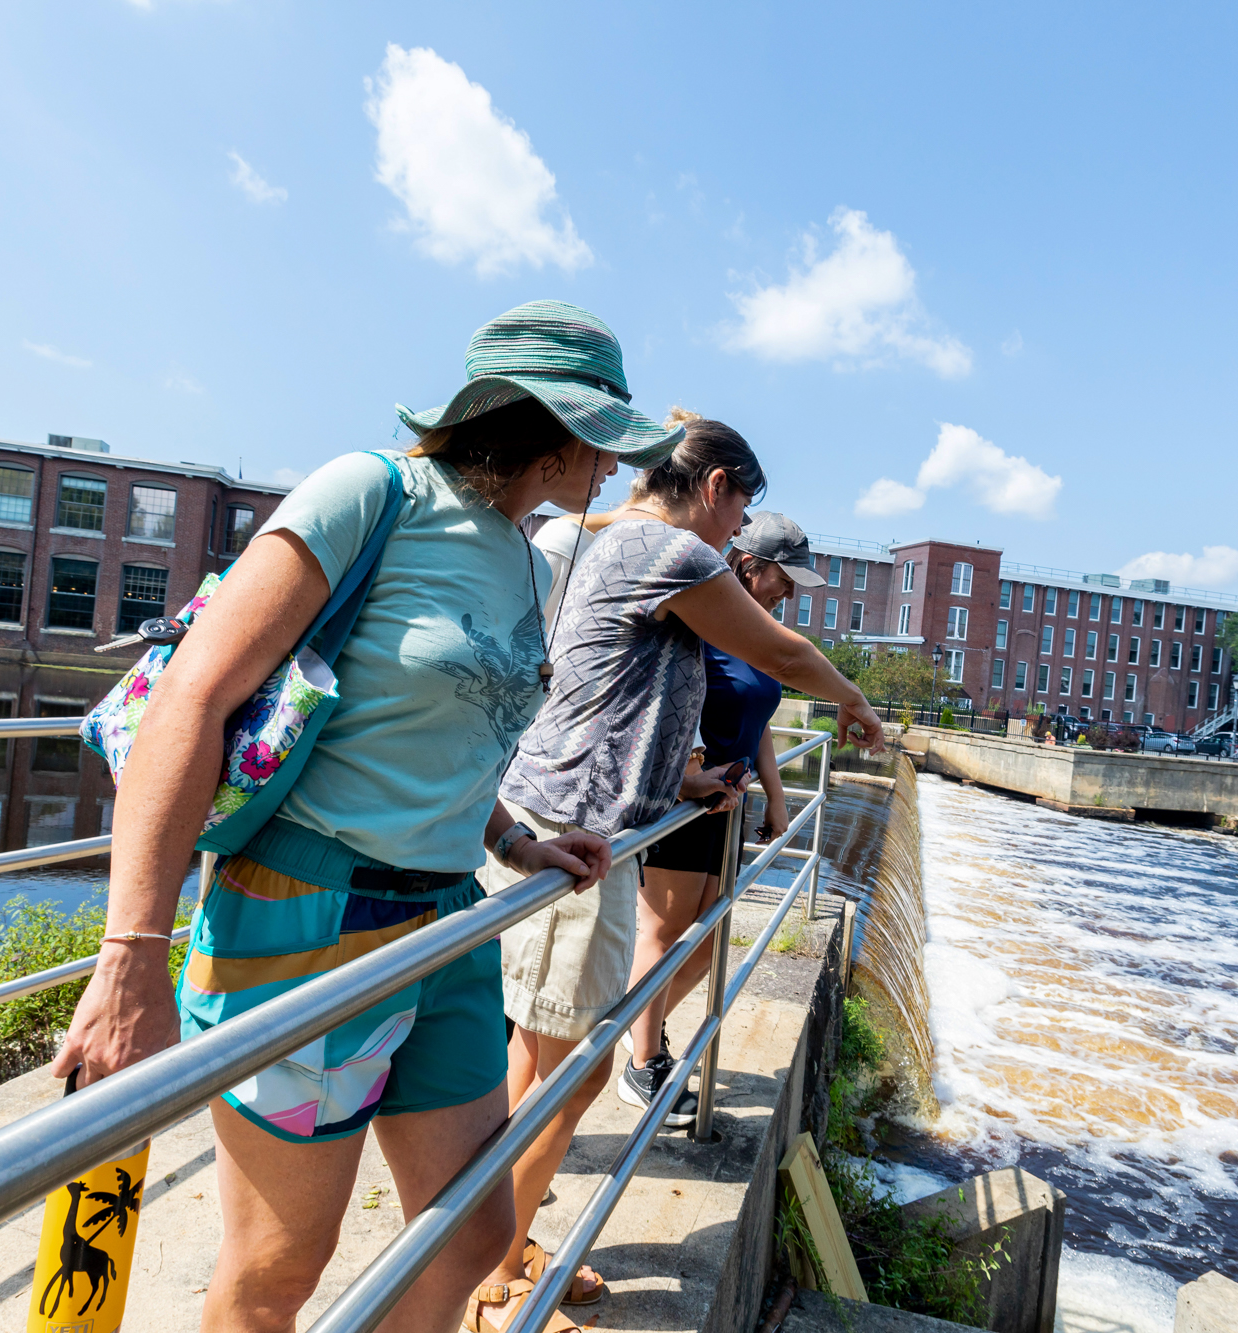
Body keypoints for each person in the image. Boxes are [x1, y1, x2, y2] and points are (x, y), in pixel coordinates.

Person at [49, 300, 681, 1333]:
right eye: (602, 435)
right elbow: (191, 701)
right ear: (540, 423)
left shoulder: (527, 558)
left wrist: (511, 839)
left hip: (445, 921)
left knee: (470, 1234)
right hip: (303, 917)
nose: (615, 463)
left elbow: (458, 732)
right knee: (278, 1266)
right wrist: (130, 958)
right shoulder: (370, 492)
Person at [470, 413, 884, 1333]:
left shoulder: (623, 542)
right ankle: (490, 1275)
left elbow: (619, 685)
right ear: (715, 485)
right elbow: (779, 653)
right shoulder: (670, 550)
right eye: (740, 510)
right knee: (568, 1070)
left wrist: (680, 776)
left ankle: (499, 1244)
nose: (736, 534)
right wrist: (852, 700)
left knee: (543, 1060)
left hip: (576, 824)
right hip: (572, 835)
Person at [624, 511, 825, 1122]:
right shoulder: (708, 621)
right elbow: (669, 698)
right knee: (662, 931)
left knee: (709, 939)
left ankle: (641, 1025)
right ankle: (642, 1059)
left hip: (729, 803)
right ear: (749, 565)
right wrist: (691, 771)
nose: (790, 592)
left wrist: (777, 795)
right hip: (685, 799)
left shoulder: (758, 633)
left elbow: (759, 723)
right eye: (783, 578)